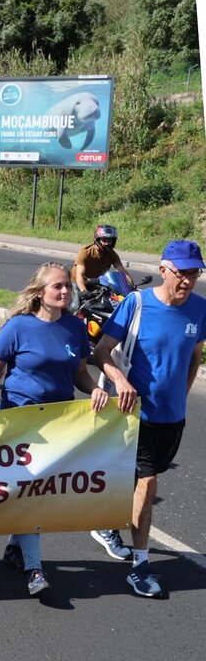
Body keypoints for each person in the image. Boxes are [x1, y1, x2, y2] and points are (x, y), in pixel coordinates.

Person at [0, 262, 109, 597]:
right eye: (58, 287)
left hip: (60, 422)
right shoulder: (19, 327)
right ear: (39, 293)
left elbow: (79, 372)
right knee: (32, 493)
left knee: (37, 492)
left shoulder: (75, 328)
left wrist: (93, 388)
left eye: (67, 286)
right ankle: (35, 569)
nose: (65, 291)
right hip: (21, 422)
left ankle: (14, 548)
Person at [92, 240, 206, 598]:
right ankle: (140, 567)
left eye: (194, 273)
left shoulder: (201, 309)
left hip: (173, 417)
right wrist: (121, 381)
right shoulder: (137, 303)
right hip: (135, 414)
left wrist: (181, 395)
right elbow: (101, 351)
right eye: (182, 272)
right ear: (163, 270)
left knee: (132, 480)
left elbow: (194, 357)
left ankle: (107, 524)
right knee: (148, 482)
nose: (188, 280)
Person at [72, 224, 132, 292]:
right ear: (97, 239)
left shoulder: (112, 254)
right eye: (104, 240)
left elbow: (122, 272)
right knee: (77, 301)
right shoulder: (85, 252)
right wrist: (84, 292)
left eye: (109, 240)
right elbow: (79, 275)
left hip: (93, 284)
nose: (107, 243)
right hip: (76, 285)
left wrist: (131, 286)